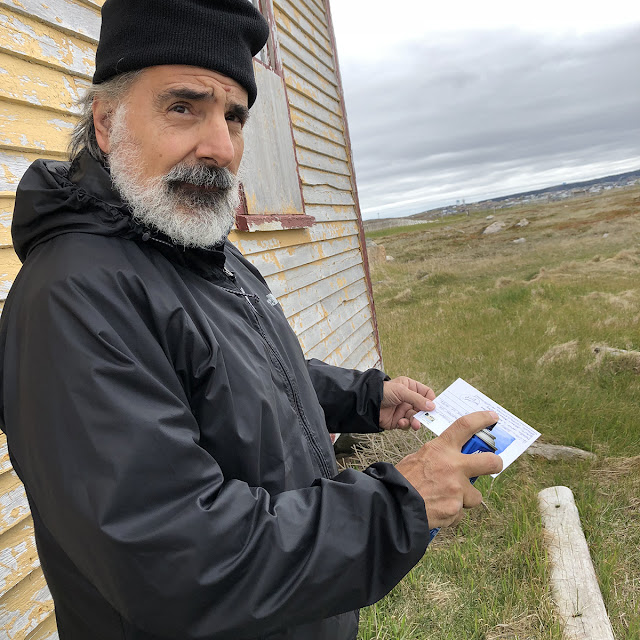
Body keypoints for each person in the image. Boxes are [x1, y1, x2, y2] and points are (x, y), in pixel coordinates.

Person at [0, 1, 502, 639]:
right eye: (183, 107)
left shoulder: (192, 247)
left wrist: (364, 397)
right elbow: (181, 565)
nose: (220, 148)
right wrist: (401, 502)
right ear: (105, 122)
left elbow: (240, 372)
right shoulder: (74, 300)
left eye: (234, 117)